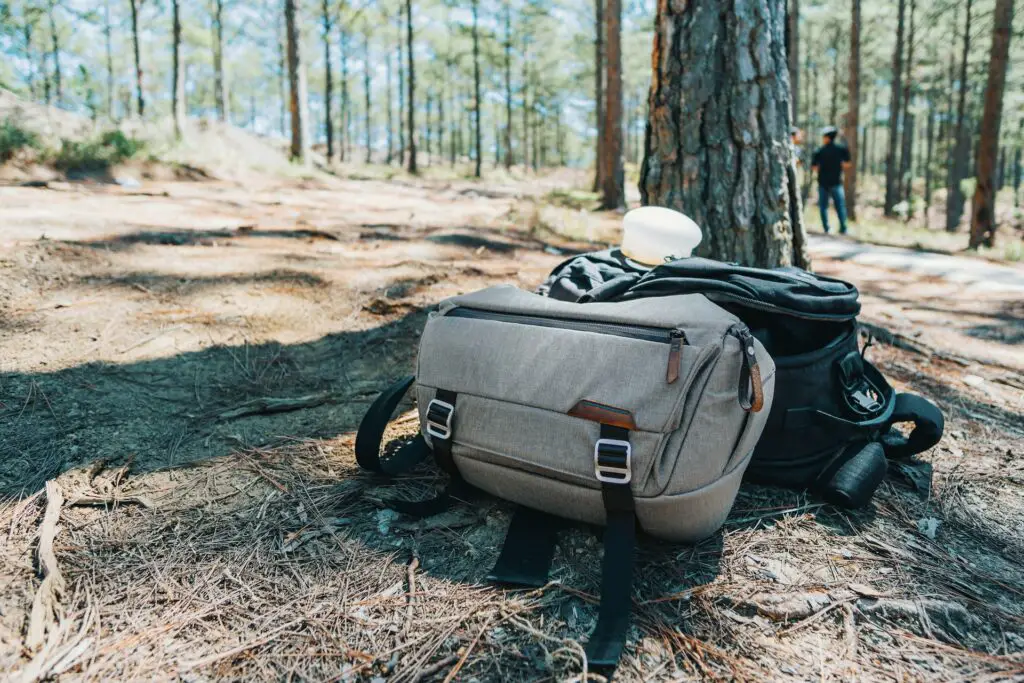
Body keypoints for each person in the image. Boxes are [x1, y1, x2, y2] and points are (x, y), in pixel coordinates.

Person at [811, 126, 851, 234]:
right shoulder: (841, 149)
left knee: (823, 206)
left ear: (827, 138)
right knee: (840, 206)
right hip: (836, 182)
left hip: (823, 182)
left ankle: (826, 228)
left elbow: (814, 167)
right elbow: (847, 164)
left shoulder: (819, 151)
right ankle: (843, 228)